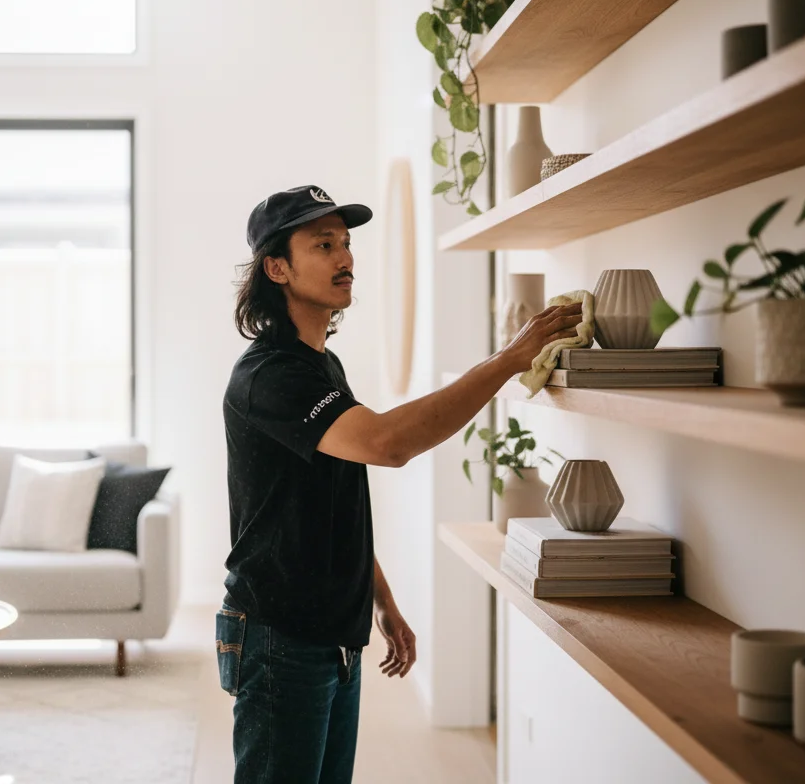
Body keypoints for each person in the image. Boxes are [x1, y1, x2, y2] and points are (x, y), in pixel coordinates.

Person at [218, 184, 583, 783]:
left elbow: (329, 503)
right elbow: (388, 444)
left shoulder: (321, 366)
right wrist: (507, 360)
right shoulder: (270, 376)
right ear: (277, 267)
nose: (345, 259)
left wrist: (380, 599)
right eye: (324, 244)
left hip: (334, 632)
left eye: (347, 243)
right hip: (278, 636)